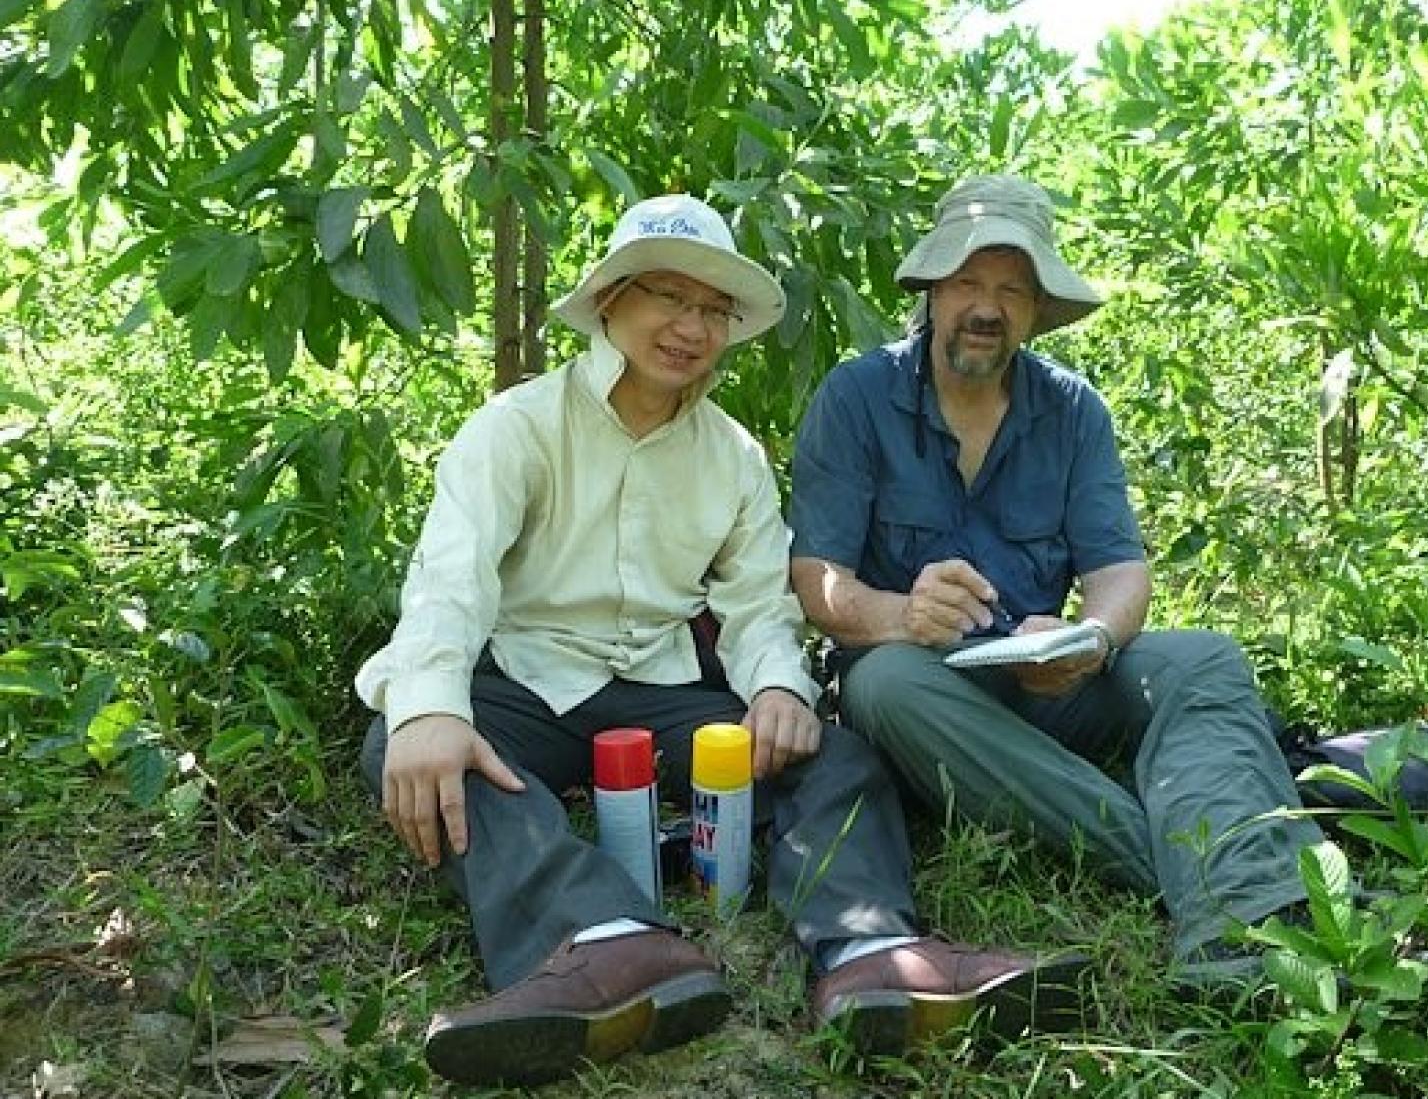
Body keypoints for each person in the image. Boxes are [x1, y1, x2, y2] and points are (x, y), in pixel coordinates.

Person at [355, 194, 1092, 1088]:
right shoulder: (518, 427)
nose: (690, 326)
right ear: (612, 302)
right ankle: (604, 944)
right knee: (411, 745)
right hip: (524, 680)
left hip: (663, 687)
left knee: (831, 754)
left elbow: (755, 605)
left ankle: (871, 956)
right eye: (669, 296)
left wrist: (779, 687)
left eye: (713, 309)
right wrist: (430, 705)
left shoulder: (732, 456)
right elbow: (451, 576)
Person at [788, 175, 1325, 982]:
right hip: (924, 696)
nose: (986, 307)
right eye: (968, 281)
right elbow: (817, 579)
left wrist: (1090, 638)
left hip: (1043, 681)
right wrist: (905, 614)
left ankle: (1232, 919)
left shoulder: (1074, 411)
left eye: (1011, 290)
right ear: (934, 290)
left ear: (1037, 311)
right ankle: (1219, 877)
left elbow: (1120, 571)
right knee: (884, 684)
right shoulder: (857, 396)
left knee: (1204, 658)